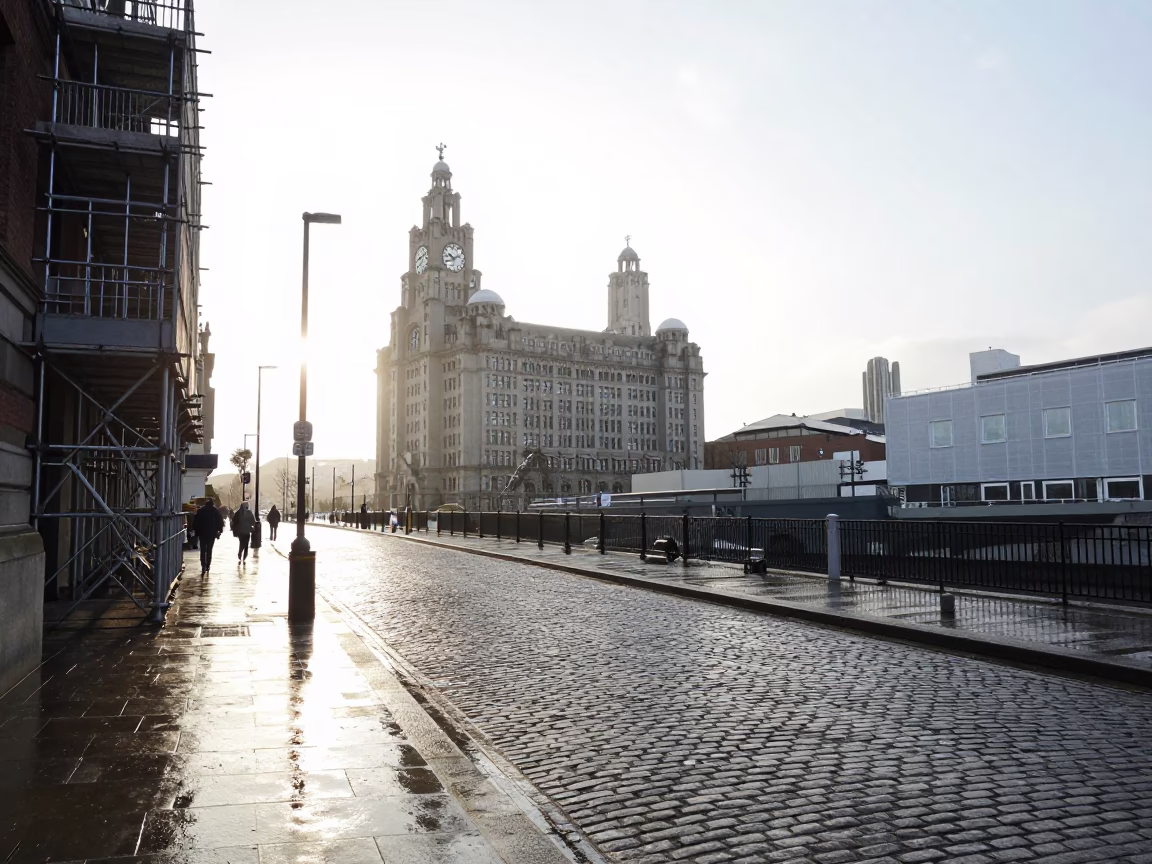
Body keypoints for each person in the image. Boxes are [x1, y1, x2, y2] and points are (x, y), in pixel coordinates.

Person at [192, 498, 224, 574]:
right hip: (211, 533)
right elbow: (220, 522)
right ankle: (207, 565)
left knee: (203, 550)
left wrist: (196, 531)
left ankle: (203, 565)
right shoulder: (215, 511)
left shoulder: (200, 511)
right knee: (209, 550)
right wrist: (219, 530)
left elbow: (196, 522)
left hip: (202, 533)